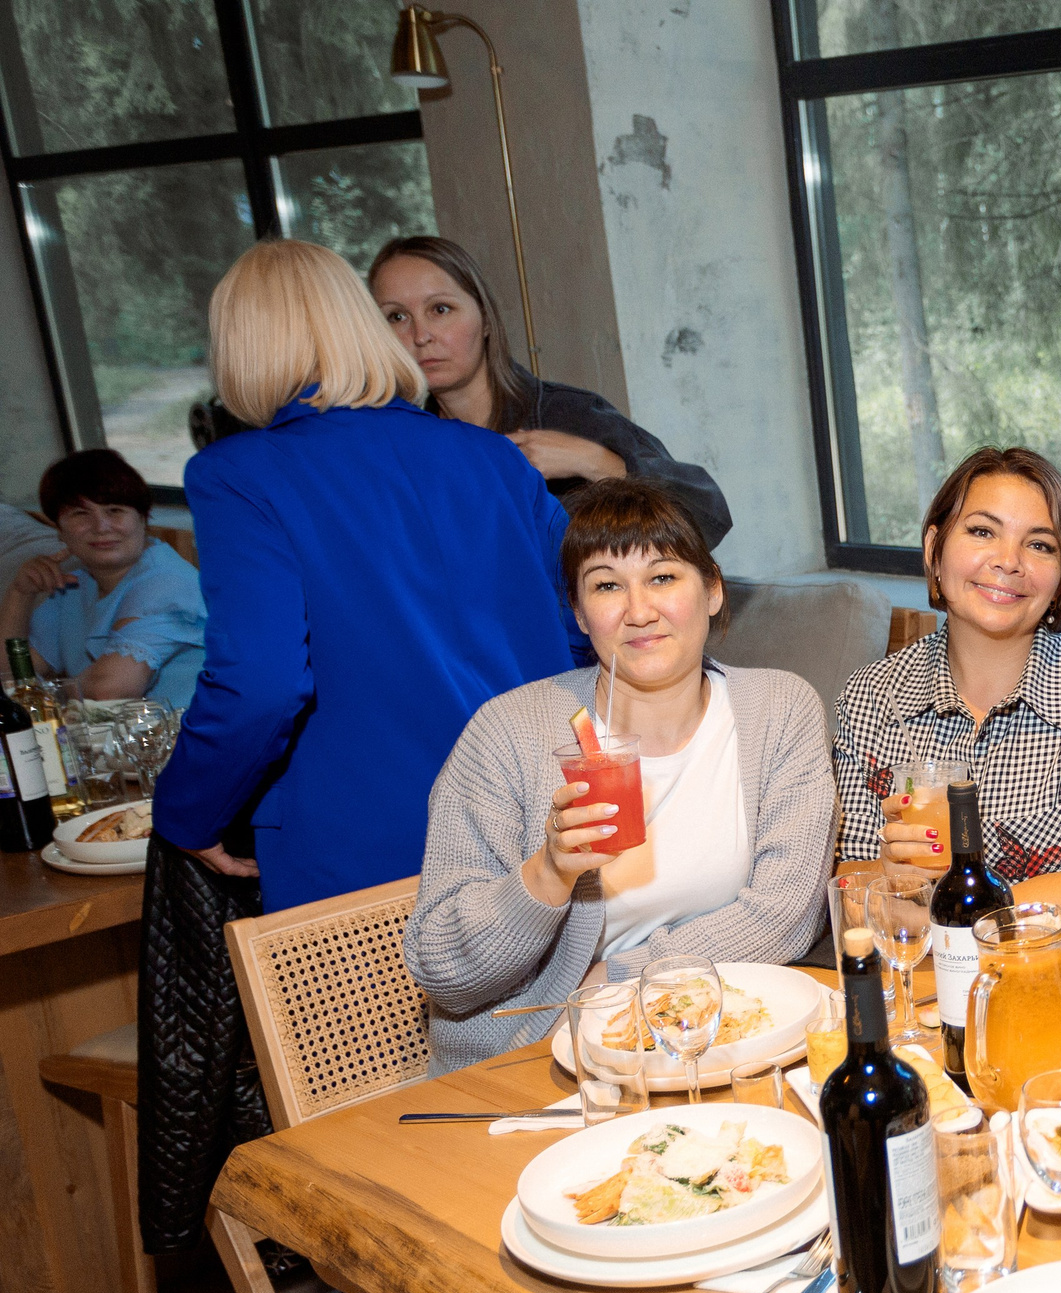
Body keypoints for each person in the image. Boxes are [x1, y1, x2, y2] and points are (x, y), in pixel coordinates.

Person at [153, 239, 578, 911]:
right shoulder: (491, 457)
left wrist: (187, 810)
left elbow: (259, 681)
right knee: (547, 1016)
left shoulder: (237, 473)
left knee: (365, 1022)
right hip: (535, 816)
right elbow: (585, 625)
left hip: (365, 845)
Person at [404, 478, 833, 1076]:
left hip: (710, 1043)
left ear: (711, 589)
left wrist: (621, 980)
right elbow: (442, 970)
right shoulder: (508, 733)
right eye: (607, 585)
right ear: (580, 614)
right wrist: (547, 875)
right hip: (525, 1067)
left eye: (663, 577)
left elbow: (784, 915)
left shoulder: (779, 710)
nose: (638, 611)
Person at [831, 445, 1061, 908]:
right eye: (983, 531)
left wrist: (962, 913)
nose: (1009, 561)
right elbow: (849, 872)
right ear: (934, 549)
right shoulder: (872, 696)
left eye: (1039, 545)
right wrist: (888, 874)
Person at [369, 235, 732, 548]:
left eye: (440, 309)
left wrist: (595, 462)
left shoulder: (568, 415)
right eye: (396, 317)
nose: (420, 335)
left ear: (485, 320)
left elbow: (706, 514)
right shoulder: (395, 448)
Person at [2, 448, 204, 707]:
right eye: (80, 514)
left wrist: (41, 699)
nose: (101, 527)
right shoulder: (73, 586)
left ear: (143, 518)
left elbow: (107, 692)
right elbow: (11, 676)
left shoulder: (167, 583)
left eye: (114, 511)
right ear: (59, 529)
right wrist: (20, 593)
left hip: (195, 738)